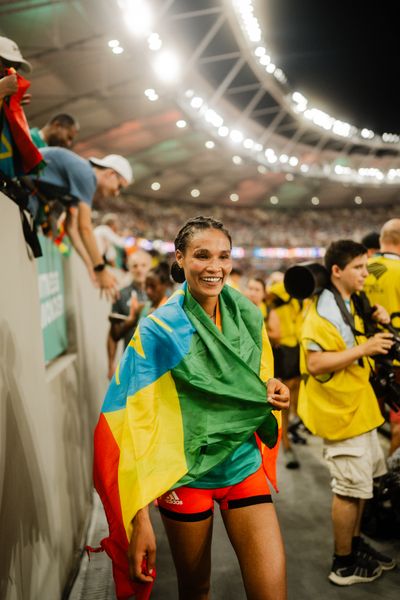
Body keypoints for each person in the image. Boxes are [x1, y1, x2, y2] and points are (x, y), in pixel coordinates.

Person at [94, 216, 290, 600]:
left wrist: (271, 389)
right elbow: (133, 424)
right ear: (180, 259)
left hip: (241, 463)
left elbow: (256, 376)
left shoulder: (247, 314)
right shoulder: (157, 331)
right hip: (186, 477)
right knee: (196, 590)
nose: (215, 267)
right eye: (202, 256)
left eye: (224, 257)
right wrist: (139, 519)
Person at [298, 239, 396, 586]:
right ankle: (343, 563)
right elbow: (314, 362)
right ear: (336, 271)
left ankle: (355, 546)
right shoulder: (322, 310)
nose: (365, 275)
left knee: (360, 487)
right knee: (347, 490)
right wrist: (366, 348)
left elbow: (352, 332)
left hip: (358, 408)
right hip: (340, 413)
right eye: (358, 268)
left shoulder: (349, 299)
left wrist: (376, 318)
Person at [27, 148, 133, 300]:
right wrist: (100, 269)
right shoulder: (87, 175)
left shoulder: (82, 176)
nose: (117, 193)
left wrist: (91, 267)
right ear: (110, 174)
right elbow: (85, 228)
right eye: (119, 186)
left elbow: (72, 229)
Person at [364, 218, 400, 456]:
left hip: (365, 355)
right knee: (398, 424)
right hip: (397, 359)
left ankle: (373, 472)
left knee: (369, 421)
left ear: (381, 241)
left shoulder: (360, 268)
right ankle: (391, 475)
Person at [267, 279, 304, 469]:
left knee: (296, 387)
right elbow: (270, 295)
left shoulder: (302, 297)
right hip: (285, 348)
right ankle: (285, 437)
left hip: (298, 345)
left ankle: (292, 428)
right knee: (287, 391)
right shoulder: (284, 288)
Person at [107, 249, 151, 379]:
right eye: (135, 266)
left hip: (157, 364)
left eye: (143, 265)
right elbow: (112, 333)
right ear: (129, 268)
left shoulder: (161, 293)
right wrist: (111, 365)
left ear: (149, 267)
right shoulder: (121, 295)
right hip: (132, 364)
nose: (139, 269)